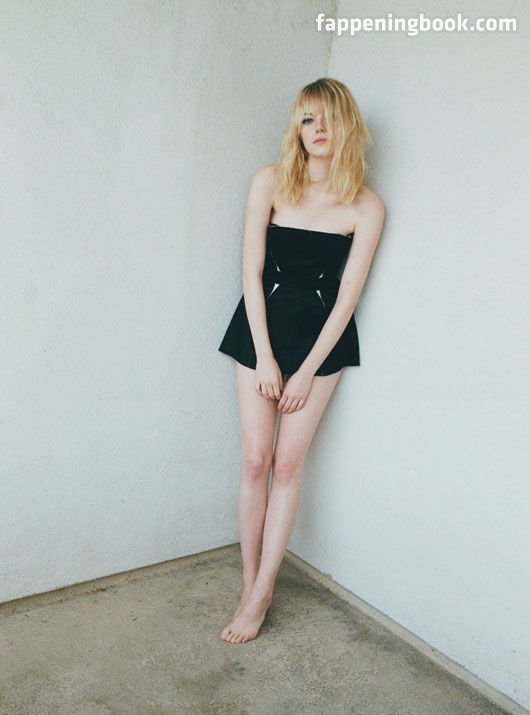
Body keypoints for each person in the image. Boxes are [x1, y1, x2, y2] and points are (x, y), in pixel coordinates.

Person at [217, 77, 385, 644]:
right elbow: (250, 272)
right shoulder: (269, 181)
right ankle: (248, 583)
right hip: (259, 332)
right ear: (298, 127)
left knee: (288, 466)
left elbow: (348, 297)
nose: (319, 129)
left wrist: (307, 371)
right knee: (256, 461)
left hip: (321, 343)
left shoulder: (366, 205)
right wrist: (265, 358)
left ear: (347, 127)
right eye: (309, 119)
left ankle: (265, 590)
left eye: (329, 118)